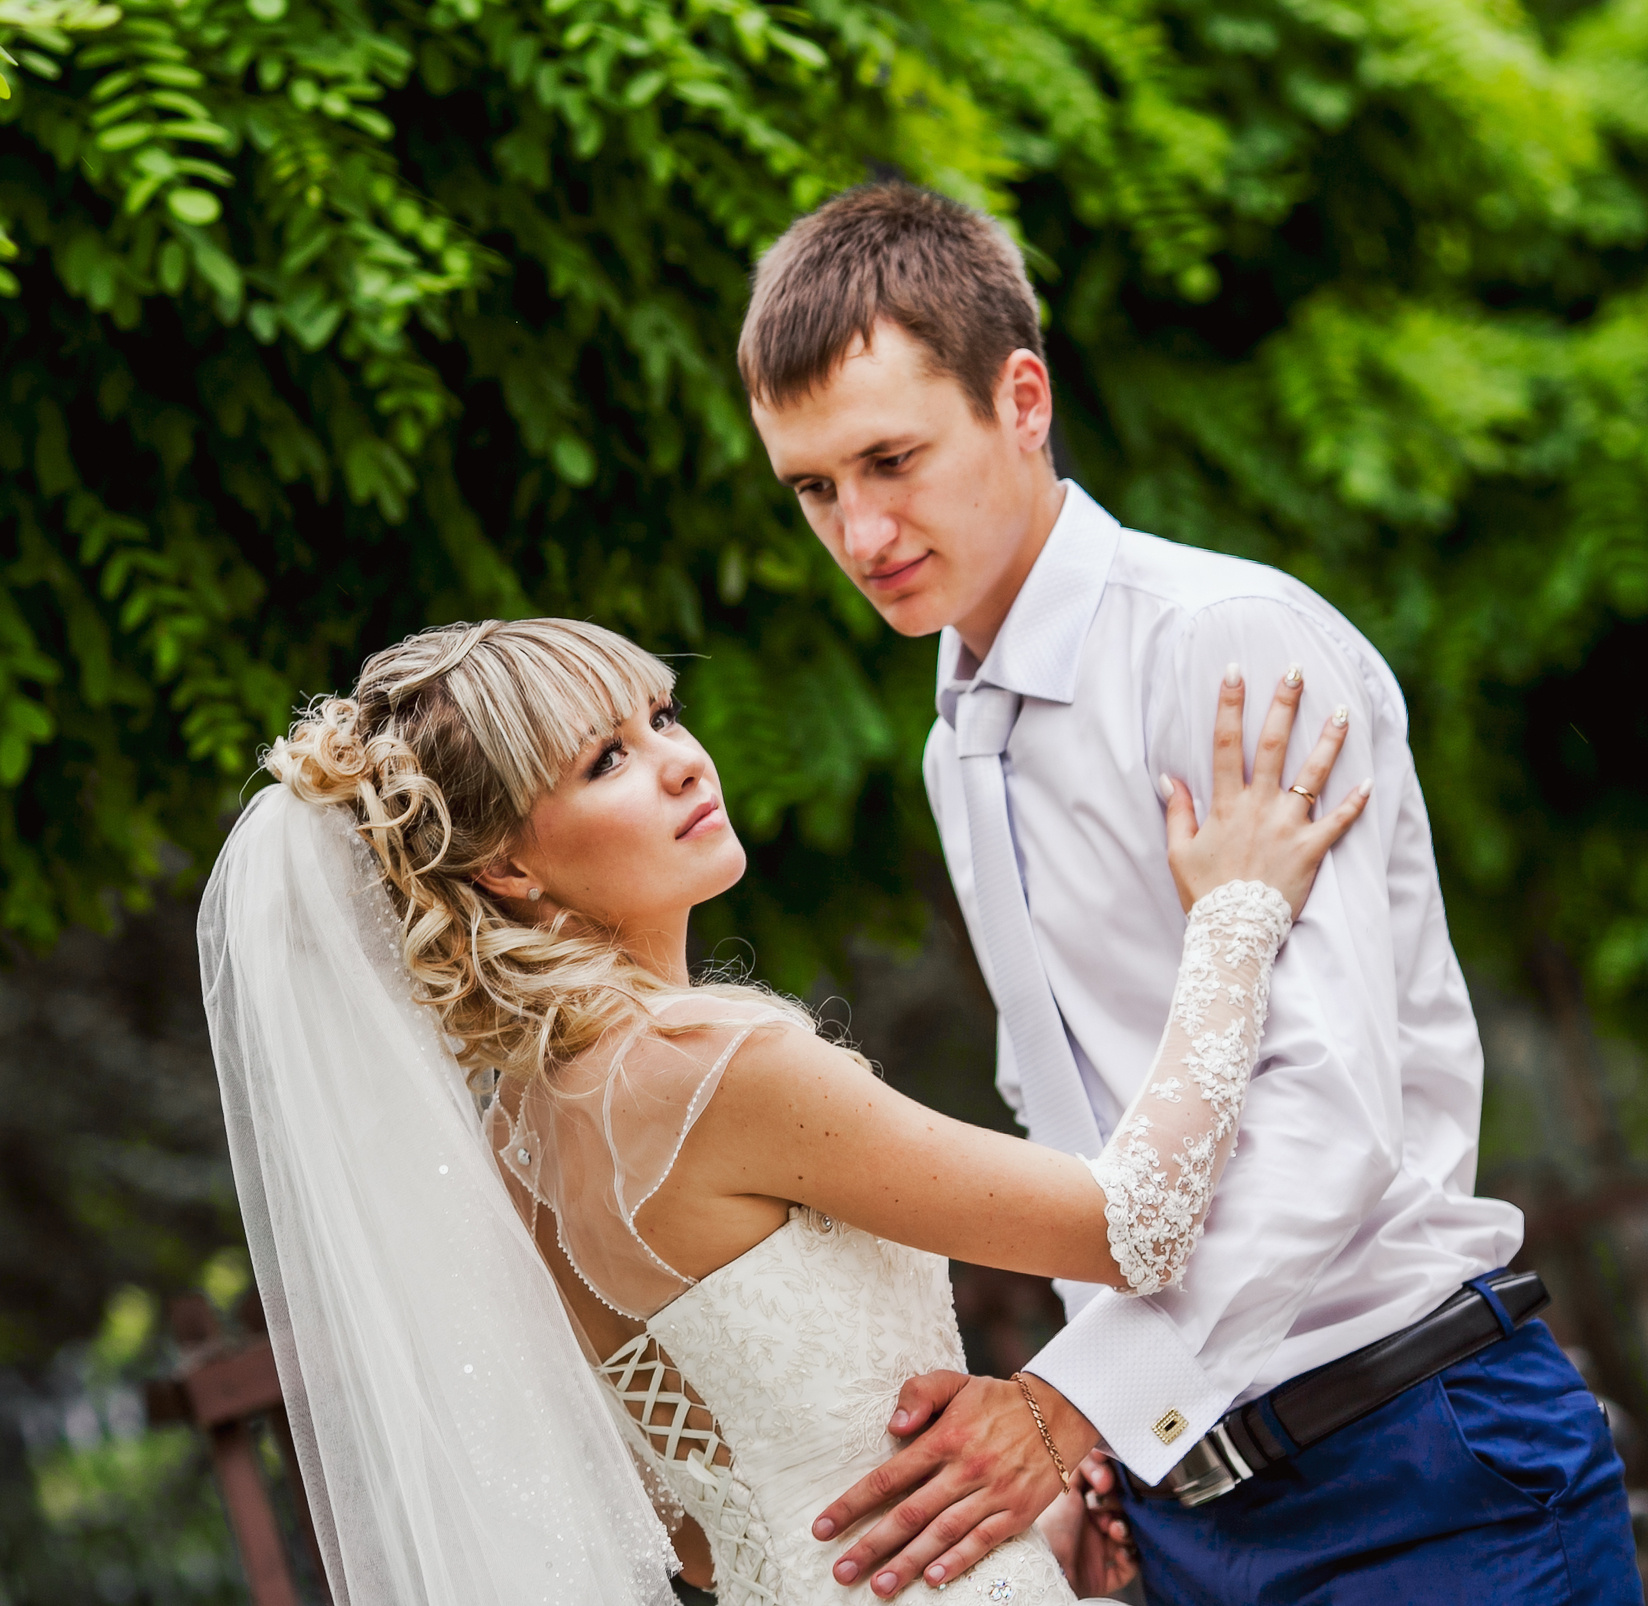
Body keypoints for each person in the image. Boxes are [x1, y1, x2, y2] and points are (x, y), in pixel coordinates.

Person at [742, 182, 1637, 1602]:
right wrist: (1121, 1428)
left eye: (891, 459)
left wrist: (1075, 1398)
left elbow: (1328, 1111)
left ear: (1021, 399)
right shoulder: (952, 737)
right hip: (1182, 1506)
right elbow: (1076, 1117)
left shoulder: (1223, 645)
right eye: (815, 488)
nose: (859, 533)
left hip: (1418, 1462)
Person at [200, 614, 1363, 1604]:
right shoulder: (710, 1060)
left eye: (661, 716)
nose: (682, 762)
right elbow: (1136, 1226)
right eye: (603, 759)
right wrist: (1235, 913)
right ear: (507, 868)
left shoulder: (524, 1139)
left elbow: (698, 1529)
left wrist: (1029, 1536)